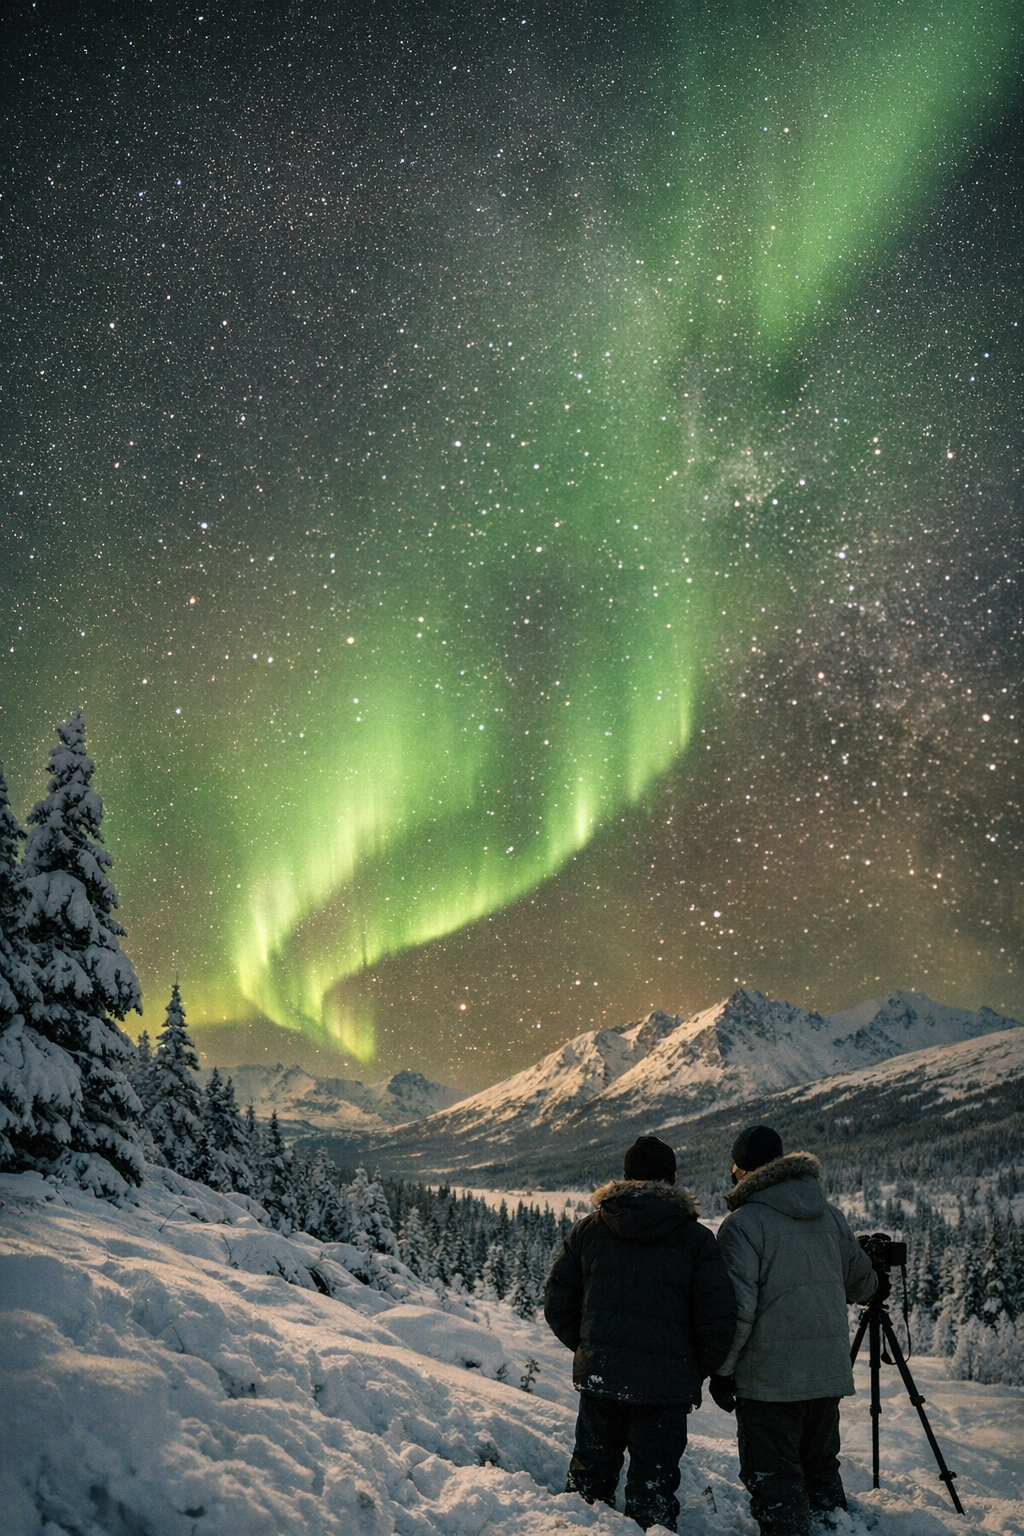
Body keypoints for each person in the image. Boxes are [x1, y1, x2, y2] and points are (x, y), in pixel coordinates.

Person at [544, 1134, 737, 1532]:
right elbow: (717, 1322)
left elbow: (558, 1306)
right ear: (672, 1179)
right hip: (664, 1389)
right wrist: (693, 1368)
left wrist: (590, 1348)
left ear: (626, 1177)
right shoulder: (696, 1239)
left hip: (602, 1378)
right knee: (653, 1491)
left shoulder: (590, 1230)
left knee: (587, 1485)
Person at [709, 1125, 880, 1536]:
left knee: (776, 1482)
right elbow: (864, 1285)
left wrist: (722, 1370)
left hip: (769, 1382)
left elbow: (740, 1310)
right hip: (825, 1377)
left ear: (740, 1171)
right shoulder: (830, 1215)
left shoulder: (742, 1224)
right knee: (821, 1472)